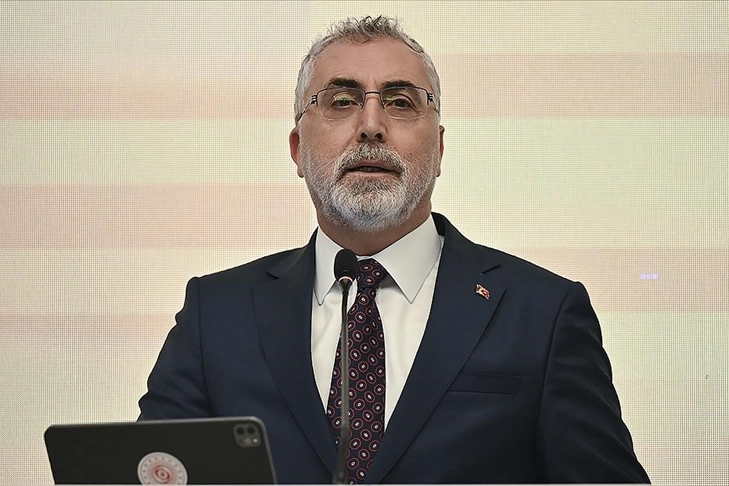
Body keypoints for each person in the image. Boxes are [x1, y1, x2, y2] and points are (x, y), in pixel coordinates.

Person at [139, 15, 650, 484]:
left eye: (401, 102)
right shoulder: (216, 314)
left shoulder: (543, 314)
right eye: (341, 101)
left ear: (440, 149)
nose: (371, 125)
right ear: (297, 150)